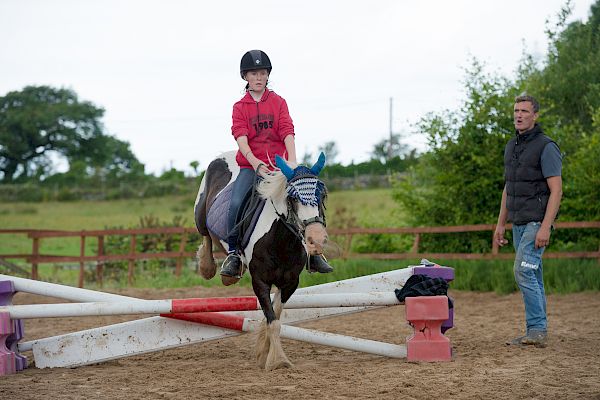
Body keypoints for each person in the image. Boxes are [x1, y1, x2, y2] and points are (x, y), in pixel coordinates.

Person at [220, 49, 333, 279]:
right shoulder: (239, 108)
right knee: (236, 203)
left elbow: (287, 131)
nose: (259, 77)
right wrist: (255, 163)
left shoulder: (279, 102)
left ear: (267, 75)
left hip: (281, 168)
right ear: (245, 77)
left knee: (307, 201)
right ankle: (233, 253)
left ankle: (314, 253)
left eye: (262, 73)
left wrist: (291, 161)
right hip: (251, 167)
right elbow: (241, 137)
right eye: (254, 73)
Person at [494, 94, 562, 348]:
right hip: (518, 223)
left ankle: (536, 330)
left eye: (524, 111)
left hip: (536, 222)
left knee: (523, 270)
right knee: (534, 274)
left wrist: (545, 226)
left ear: (535, 115)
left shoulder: (547, 146)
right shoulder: (512, 145)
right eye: (515, 111)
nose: (518, 115)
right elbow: (508, 188)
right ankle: (538, 329)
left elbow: (556, 190)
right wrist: (501, 223)